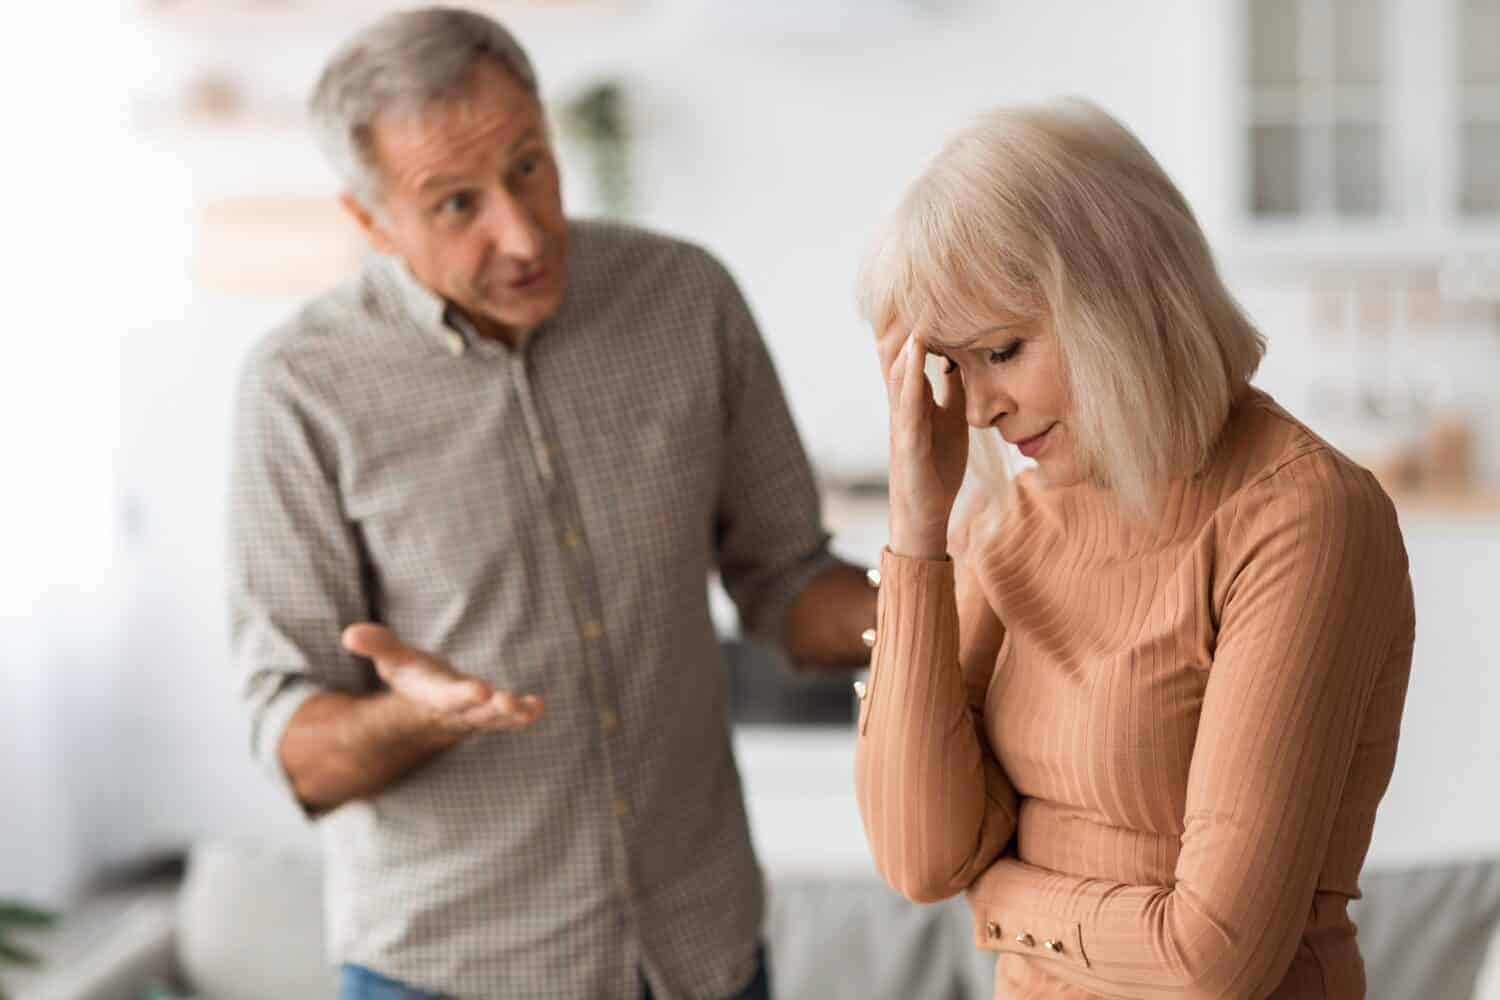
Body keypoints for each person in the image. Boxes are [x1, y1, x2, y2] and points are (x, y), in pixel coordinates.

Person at [226, 8, 878, 999]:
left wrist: (959, 602)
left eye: (529, 165)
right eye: (456, 205)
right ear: (371, 222)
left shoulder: (686, 299)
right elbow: (298, 748)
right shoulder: (300, 389)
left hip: (701, 954)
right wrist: (416, 717)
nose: (524, 233)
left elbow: (788, 585)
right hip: (448, 972)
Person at [853, 99, 1415, 999]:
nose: (977, 408)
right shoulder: (1004, 523)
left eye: (1002, 350)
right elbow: (920, 860)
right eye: (951, 367)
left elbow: (1215, 955)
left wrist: (997, 899)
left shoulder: (1303, 514)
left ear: (1122, 293)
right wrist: (918, 534)